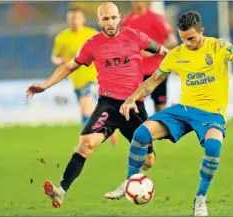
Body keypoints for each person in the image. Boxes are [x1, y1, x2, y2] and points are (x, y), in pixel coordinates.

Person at [105, 11, 233, 216]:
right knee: (140, 134)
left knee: (212, 146)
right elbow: (153, 81)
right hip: (184, 110)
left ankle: (200, 199)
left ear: (201, 31)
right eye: (183, 39)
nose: (187, 44)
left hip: (212, 114)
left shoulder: (219, 47)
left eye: (191, 38)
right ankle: (130, 180)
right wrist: (131, 99)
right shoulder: (177, 54)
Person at [25, 2, 168, 208]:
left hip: (134, 105)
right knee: (86, 144)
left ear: (119, 17)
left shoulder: (135, 36)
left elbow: (161, 50)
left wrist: (179, 60)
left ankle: (130, 180)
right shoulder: (93, 43)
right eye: (105, 19)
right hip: (108, 105)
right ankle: (61, 190)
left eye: (113, 18)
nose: (110, 22)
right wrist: (46, 85)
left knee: (149, 161)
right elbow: (69, 66)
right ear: (99, 20)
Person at [51, 7, 118, 146]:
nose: (74, 21)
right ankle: (109, 125)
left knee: (85, 105)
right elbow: (55, 56)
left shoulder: (92, 35)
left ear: (83, 19)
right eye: (71, 18)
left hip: (94, 77)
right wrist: (59, 61)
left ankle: (87, 140)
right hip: (76, 80)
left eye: (77, 18)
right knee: (90, 109)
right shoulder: (62, 37)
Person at [123, 1, 178, 112]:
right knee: (133, 106)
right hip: (136, 72)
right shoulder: (127, 21)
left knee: (160, 106)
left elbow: (173, 41)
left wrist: (154, 50)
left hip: (157, 71)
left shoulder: (156, 18)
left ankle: (161, 128)